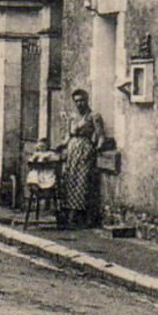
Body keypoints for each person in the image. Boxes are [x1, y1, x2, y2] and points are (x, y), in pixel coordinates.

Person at [58, 88, 106, 228]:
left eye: (82, 101)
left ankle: (84, 218)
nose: (79, 104)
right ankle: (71, 216)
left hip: (85, 151)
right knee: (70, 181)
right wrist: (62, 146)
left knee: (83, 183)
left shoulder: (94, 116)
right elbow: (67, 136)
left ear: (87, 100)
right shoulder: (72, 117)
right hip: (72, 151)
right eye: (77, 101)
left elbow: (100, 135)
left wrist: (96, 149)